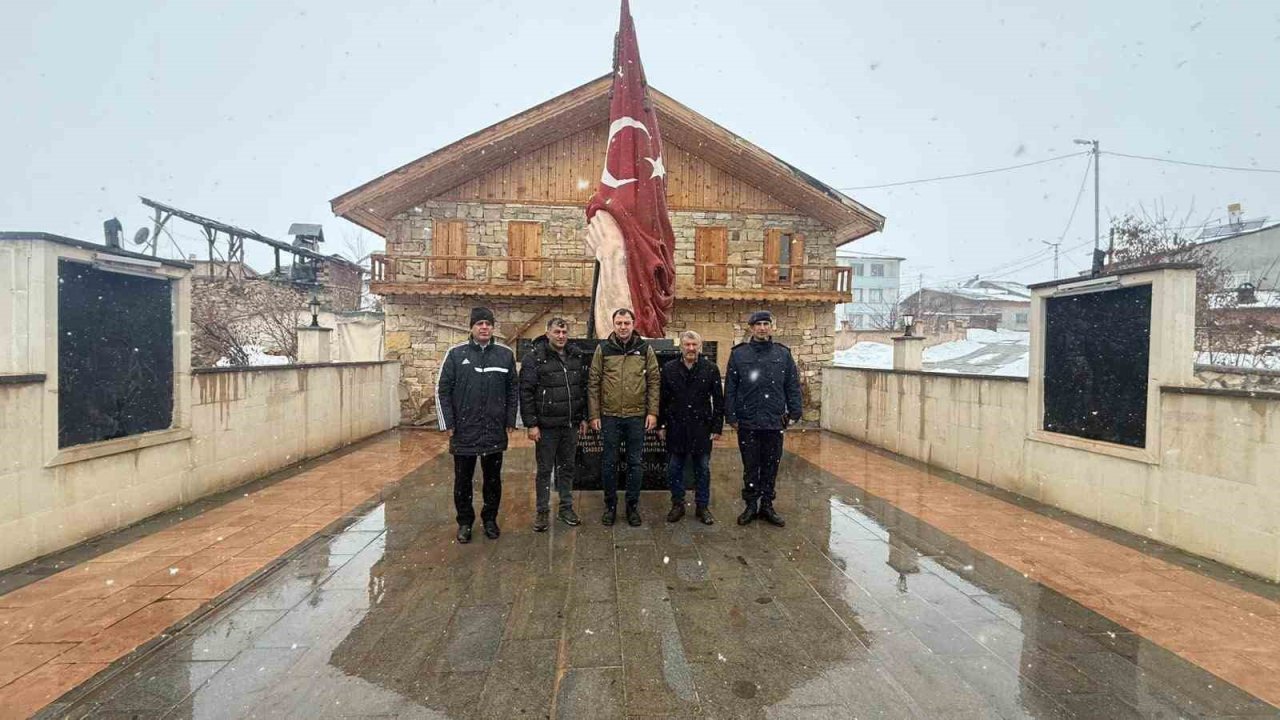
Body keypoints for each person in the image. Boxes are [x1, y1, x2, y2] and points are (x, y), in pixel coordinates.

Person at [437, 307, 518, 543]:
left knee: (493, 479)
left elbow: (513, 389)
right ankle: (464, 522)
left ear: (493, 327)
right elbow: (442, 389)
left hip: (493, 429)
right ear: (471, 327)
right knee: (463, 480)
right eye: (480, 323)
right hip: (464, 430)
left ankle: (490, 519)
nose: (484, 327)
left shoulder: (505, 355)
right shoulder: (455, 354)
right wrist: (447, 423)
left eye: (488, 324)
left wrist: (510, 419)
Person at [724, 310, 802, 527]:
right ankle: (750, 505)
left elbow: (792, 385)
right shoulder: (739, 354)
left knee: (771, 465)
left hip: (773, 421)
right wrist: (730, 415)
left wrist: (795, 412)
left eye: (766, 323)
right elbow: (730, 388)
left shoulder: (782, 354)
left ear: (771, 327)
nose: (762, 328)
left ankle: (767, 504)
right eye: (758, 324)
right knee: (750, 465)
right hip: (747, 422)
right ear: (751, 328)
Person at [588, 308, 660, 527]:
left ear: (633, 323)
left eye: (626, 323)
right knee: (609, 463)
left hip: (636, 417)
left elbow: (654, 381)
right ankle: (610, 507)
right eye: (618, 323)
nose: (622, 327)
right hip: (609, 417)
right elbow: (594, 382)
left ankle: (632, 507)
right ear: (613, 324)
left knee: (635, 464)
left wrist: (653, 412)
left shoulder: (644, 348)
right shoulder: (603, 349)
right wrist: (594, 414)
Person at [519, 317, 588, 532]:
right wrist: (531, 424)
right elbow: (526, 392)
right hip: (546, 426)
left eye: (564, 332)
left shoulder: (575, 356)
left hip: (570, 425)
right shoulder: (534, 358)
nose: (561, 336)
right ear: (547, 332)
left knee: (567, 468)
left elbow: (582, 390)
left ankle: (566, 507)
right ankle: (542, 511)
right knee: (545, 470)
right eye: (557, 332)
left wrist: (583, 417)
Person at [658, 330, 723, 525]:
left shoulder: (710, 369)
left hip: (701, 427)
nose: (691, 349)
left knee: (702, 469)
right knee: (674, 469)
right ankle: (677, 504)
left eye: (695, 345)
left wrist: (717, 427)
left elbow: (718, 401)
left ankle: (702, 506)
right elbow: (663, 399)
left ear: (700, 347)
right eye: (687, 345)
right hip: (676, 427)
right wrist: (662, 424)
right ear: (681, 347)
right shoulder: (669, 369)